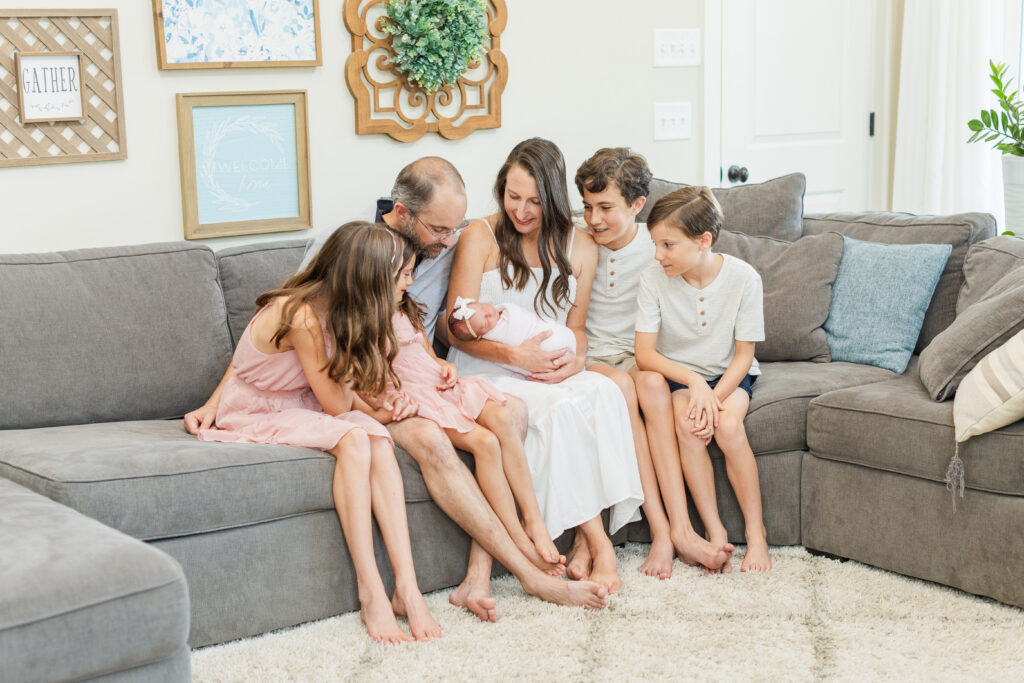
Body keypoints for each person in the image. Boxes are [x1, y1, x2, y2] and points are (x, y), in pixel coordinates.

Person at [188, 157, 610, 619]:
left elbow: (448, 320)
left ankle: (486, 572)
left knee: (510, 415)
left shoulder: (441, 243)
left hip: (417, 370)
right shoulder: (350, 253)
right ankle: (528, 572)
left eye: (456, 229)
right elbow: (275, 330)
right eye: (440, 230)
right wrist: (216, 399)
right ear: (404, 214)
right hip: (366, 379)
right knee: (431, 438)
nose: (449, 241)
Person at [196, 222, 441, 643]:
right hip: (256, 408)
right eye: (400, 275)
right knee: (355, 438)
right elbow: (335, 403)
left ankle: (407, 587)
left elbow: (339, 393)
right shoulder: (303, 316)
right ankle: (370, 591)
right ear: (367, 280)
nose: (408, 284)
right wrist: (368, 398)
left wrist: (384, 409)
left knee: (377, 439)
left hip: (297, 398)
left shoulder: (332, 309)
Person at [447, 138, 645, 595]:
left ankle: (583, 539)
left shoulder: (580, 246)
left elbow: (576, 330)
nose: (521, 210)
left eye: (535, 201)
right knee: (559, 410)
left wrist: (574, 361)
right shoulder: (481, 235)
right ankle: (600, 544)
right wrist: (512, 356)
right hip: (487, 368)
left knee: (604, 392)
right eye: (512, 197)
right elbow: (451, 326)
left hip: (547, 368)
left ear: (554, 199)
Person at [575, 148, 733, 578]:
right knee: (628, 389)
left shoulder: (659, 247)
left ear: (637, 205)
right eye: (588, 207)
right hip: (590, 359)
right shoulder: (577, 241)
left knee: (650, 387)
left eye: (606, 207)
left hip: (637, 356)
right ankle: (663, 533)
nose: (594, 219)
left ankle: (680, 529)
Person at [389, 237, 565, 575]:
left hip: (439, 382)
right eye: (404, 274)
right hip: (418, 394)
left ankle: (534, 519)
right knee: (484, 442)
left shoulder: (405, 306)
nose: (411, 281)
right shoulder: (365, 320)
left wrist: (446, 366)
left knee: (504, 413)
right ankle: (516, 536)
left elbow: (426, 352)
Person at [634, 186, 772, 572]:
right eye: (655, 244)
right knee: (691, 427)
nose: (658, 255)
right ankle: (716, 534)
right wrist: (694, 384)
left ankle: (756, 533)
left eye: (667, 245)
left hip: (729, 378)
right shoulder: (652, 279)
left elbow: (744, 356)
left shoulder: (744, 278)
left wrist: (714, 395)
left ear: (703, 241)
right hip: (679, 378)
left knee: (727, 427)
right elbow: (645, 354)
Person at [447, 296, 577, 376]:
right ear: (480, 337)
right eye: (485, 322)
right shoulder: (497, 335)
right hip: (537, 348)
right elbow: (515, 347)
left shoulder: (504, 310)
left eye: (483, 308)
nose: (489, 314)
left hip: (549, 330)